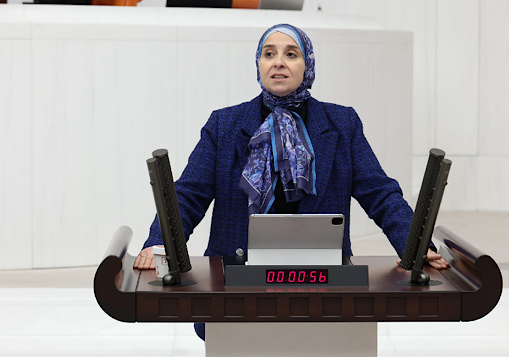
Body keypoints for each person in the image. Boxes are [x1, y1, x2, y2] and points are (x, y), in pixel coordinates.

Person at [133, 23, 448, 340]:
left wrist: (413, 248)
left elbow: (381, 194)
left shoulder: (342, 123)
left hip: (323, 281)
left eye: (291, 54)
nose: (278, 62)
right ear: (258, 63)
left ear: (307, 64)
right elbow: (188, 195)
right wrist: (160, 242)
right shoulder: (224, 124)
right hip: (235, 283)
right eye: (269, 54)